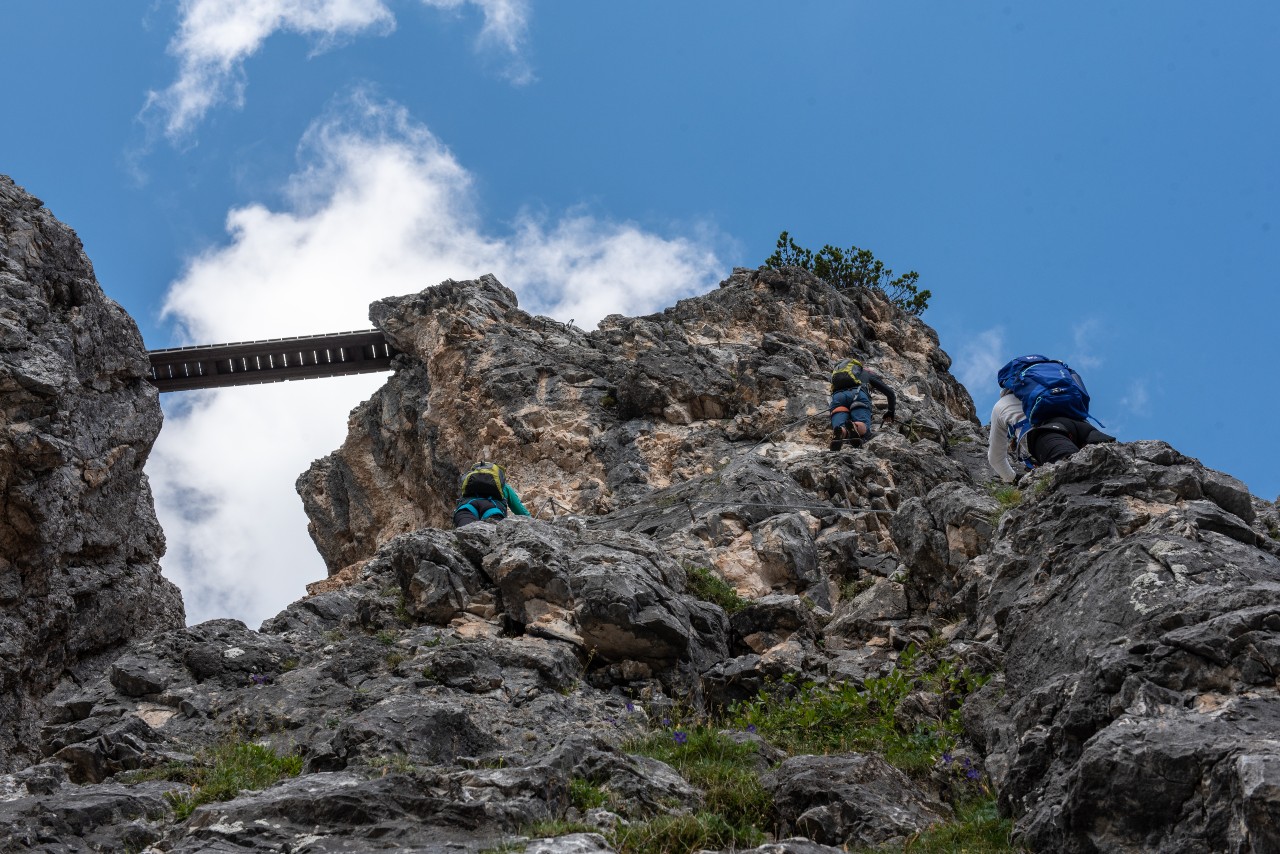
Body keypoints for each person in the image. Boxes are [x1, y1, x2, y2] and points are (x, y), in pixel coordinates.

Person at [987, 388, 1115, 483]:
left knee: (1072, 477)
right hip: (1082, 426)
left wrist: (1013, 479)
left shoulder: (1001, 405)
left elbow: (995, 458)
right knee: (1117, 463)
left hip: (1047, 434)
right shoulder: (1049, 387)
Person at [828, 358, 896, 451]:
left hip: (838, 397)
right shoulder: (867, 373)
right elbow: (890, 393)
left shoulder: (837, 375)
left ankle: (841, 431)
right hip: (858, 395)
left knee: (840, 424)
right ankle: (856, 427)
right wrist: (890, 411)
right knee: (863, 426)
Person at [453, 461, 531, 527]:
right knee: (492, 538)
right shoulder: (504, 486)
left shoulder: (470, 482)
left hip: (467, 506)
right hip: (493, 508)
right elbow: (521, 511)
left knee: (465, 536)